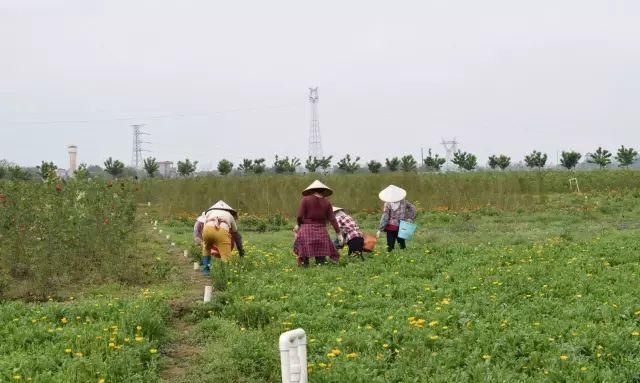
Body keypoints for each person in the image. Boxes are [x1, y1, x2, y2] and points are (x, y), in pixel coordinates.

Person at [293, 180, 342, 267]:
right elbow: (332, 219)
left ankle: (304, 265)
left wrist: (299, 225)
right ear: (323, 191)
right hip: (321, 230)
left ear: (311, 190)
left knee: (304, 250)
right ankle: (321, 264)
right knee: (321, 252)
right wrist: (339, 233)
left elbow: (299, 216)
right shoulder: (327, 202)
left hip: (306, 229)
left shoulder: (305, 200)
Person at [193, 200, 245, 275]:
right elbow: (236, 236)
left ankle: (206, 270)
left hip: (207, 229)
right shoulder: (229, 215)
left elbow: (204, 226)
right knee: (225, 255)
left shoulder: (210, 213)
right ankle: (225, 274)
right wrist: (241, 251)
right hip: (222, 231)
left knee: (206, 248)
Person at [377, 185, 416, 252]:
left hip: (392, 227)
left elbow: (385, 217)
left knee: (390, 246)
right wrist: (410, 218)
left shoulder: (387, 204)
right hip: (401, 226)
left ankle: (390, 258)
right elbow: (413, 208)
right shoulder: (403, 202)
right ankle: (404, 258)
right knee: (402, 245)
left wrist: (380, 229)